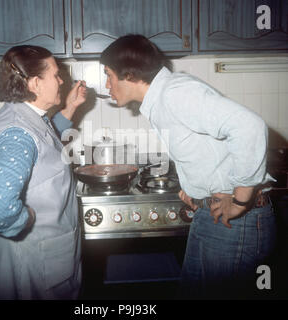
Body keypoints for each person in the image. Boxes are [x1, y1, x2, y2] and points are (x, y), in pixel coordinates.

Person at [100, 34, 277, 299]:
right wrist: (194, 189)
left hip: (236, 220)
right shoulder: (162, 100)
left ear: (129, 74)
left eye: (109, 75)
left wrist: (240, 201)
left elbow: (249, 126)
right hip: (214, 215)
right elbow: (203, 148)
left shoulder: (175, 93)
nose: (107, 84)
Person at [0, 45, 87, 300]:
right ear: (36, 83)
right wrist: (24, 220)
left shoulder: (26, 115)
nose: (61, 80)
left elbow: (45, 142)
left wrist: (70, 107)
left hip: (47, 260)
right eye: (56, 75)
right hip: (33, 265)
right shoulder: (18, 132)